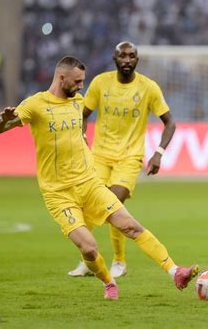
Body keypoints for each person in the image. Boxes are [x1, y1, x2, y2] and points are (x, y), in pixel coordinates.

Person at [0, 56, 198, 300]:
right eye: (78, 81)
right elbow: (0, 127)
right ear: (62, 78)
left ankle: (175, 271)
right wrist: (3, 121)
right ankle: (108, 282)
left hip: (89, 184)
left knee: (131, 226)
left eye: (83, 81)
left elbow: (78, 131)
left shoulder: (77, 102)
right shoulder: (36, 104)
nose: (81, 86)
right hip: (59, 194)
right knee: (89, 248)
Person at [68, 41, 176, 278]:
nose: (127, 60)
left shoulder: (148, 87)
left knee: (113, 203)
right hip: (99, 155)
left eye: (131, 56)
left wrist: (158, 152)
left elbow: (170, 122)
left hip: (129, 157)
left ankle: (119, 262)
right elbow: (83, 114)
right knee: (86, 208)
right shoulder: (100, 83)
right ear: (114, 59)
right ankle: (89, 260)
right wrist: (83, 137)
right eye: (122, 56)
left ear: (137, 60)